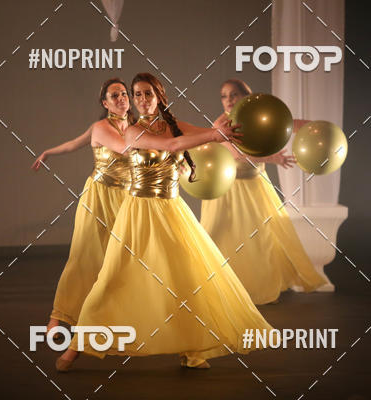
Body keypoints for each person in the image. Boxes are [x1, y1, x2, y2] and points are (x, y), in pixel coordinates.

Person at [56, 72, 272, 372]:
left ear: (159, 96)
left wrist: (226, 131)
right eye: (137, 94)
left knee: (186, 278)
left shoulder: (174, 124)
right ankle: (76, 347)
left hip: (171, 211)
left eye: (148, 93)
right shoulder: (132, 131)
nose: (142, 100)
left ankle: (192, 349)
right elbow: (173, 145)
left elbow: (206, 134)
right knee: (112, 279)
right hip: (139, 212)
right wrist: (213, 136)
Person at [201, 79, 326, 305]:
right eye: (224, 96)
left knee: (262, 238)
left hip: (255, 183)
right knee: (219, 236)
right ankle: (215, 288)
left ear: (245, 97)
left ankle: (259, 287)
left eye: (234, 94)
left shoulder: (258, 115)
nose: (229, 100)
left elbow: (288, 123)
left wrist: (315, 130)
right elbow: (237, 154)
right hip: (229, 188)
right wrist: (273, 158)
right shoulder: (221, 123)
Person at [31, 78, 135, 334]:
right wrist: (169, 149)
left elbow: (72, 144)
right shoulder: (101, 128)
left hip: (127, 197)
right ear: (105, 103)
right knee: (84, 256)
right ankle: (58, 316)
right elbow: (127, 149)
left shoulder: (135, 127)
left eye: (124, 93)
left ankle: (110, 314)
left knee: (123, 258)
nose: (121, 98)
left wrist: (48, 152)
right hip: (98, 197)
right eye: (114, 95)